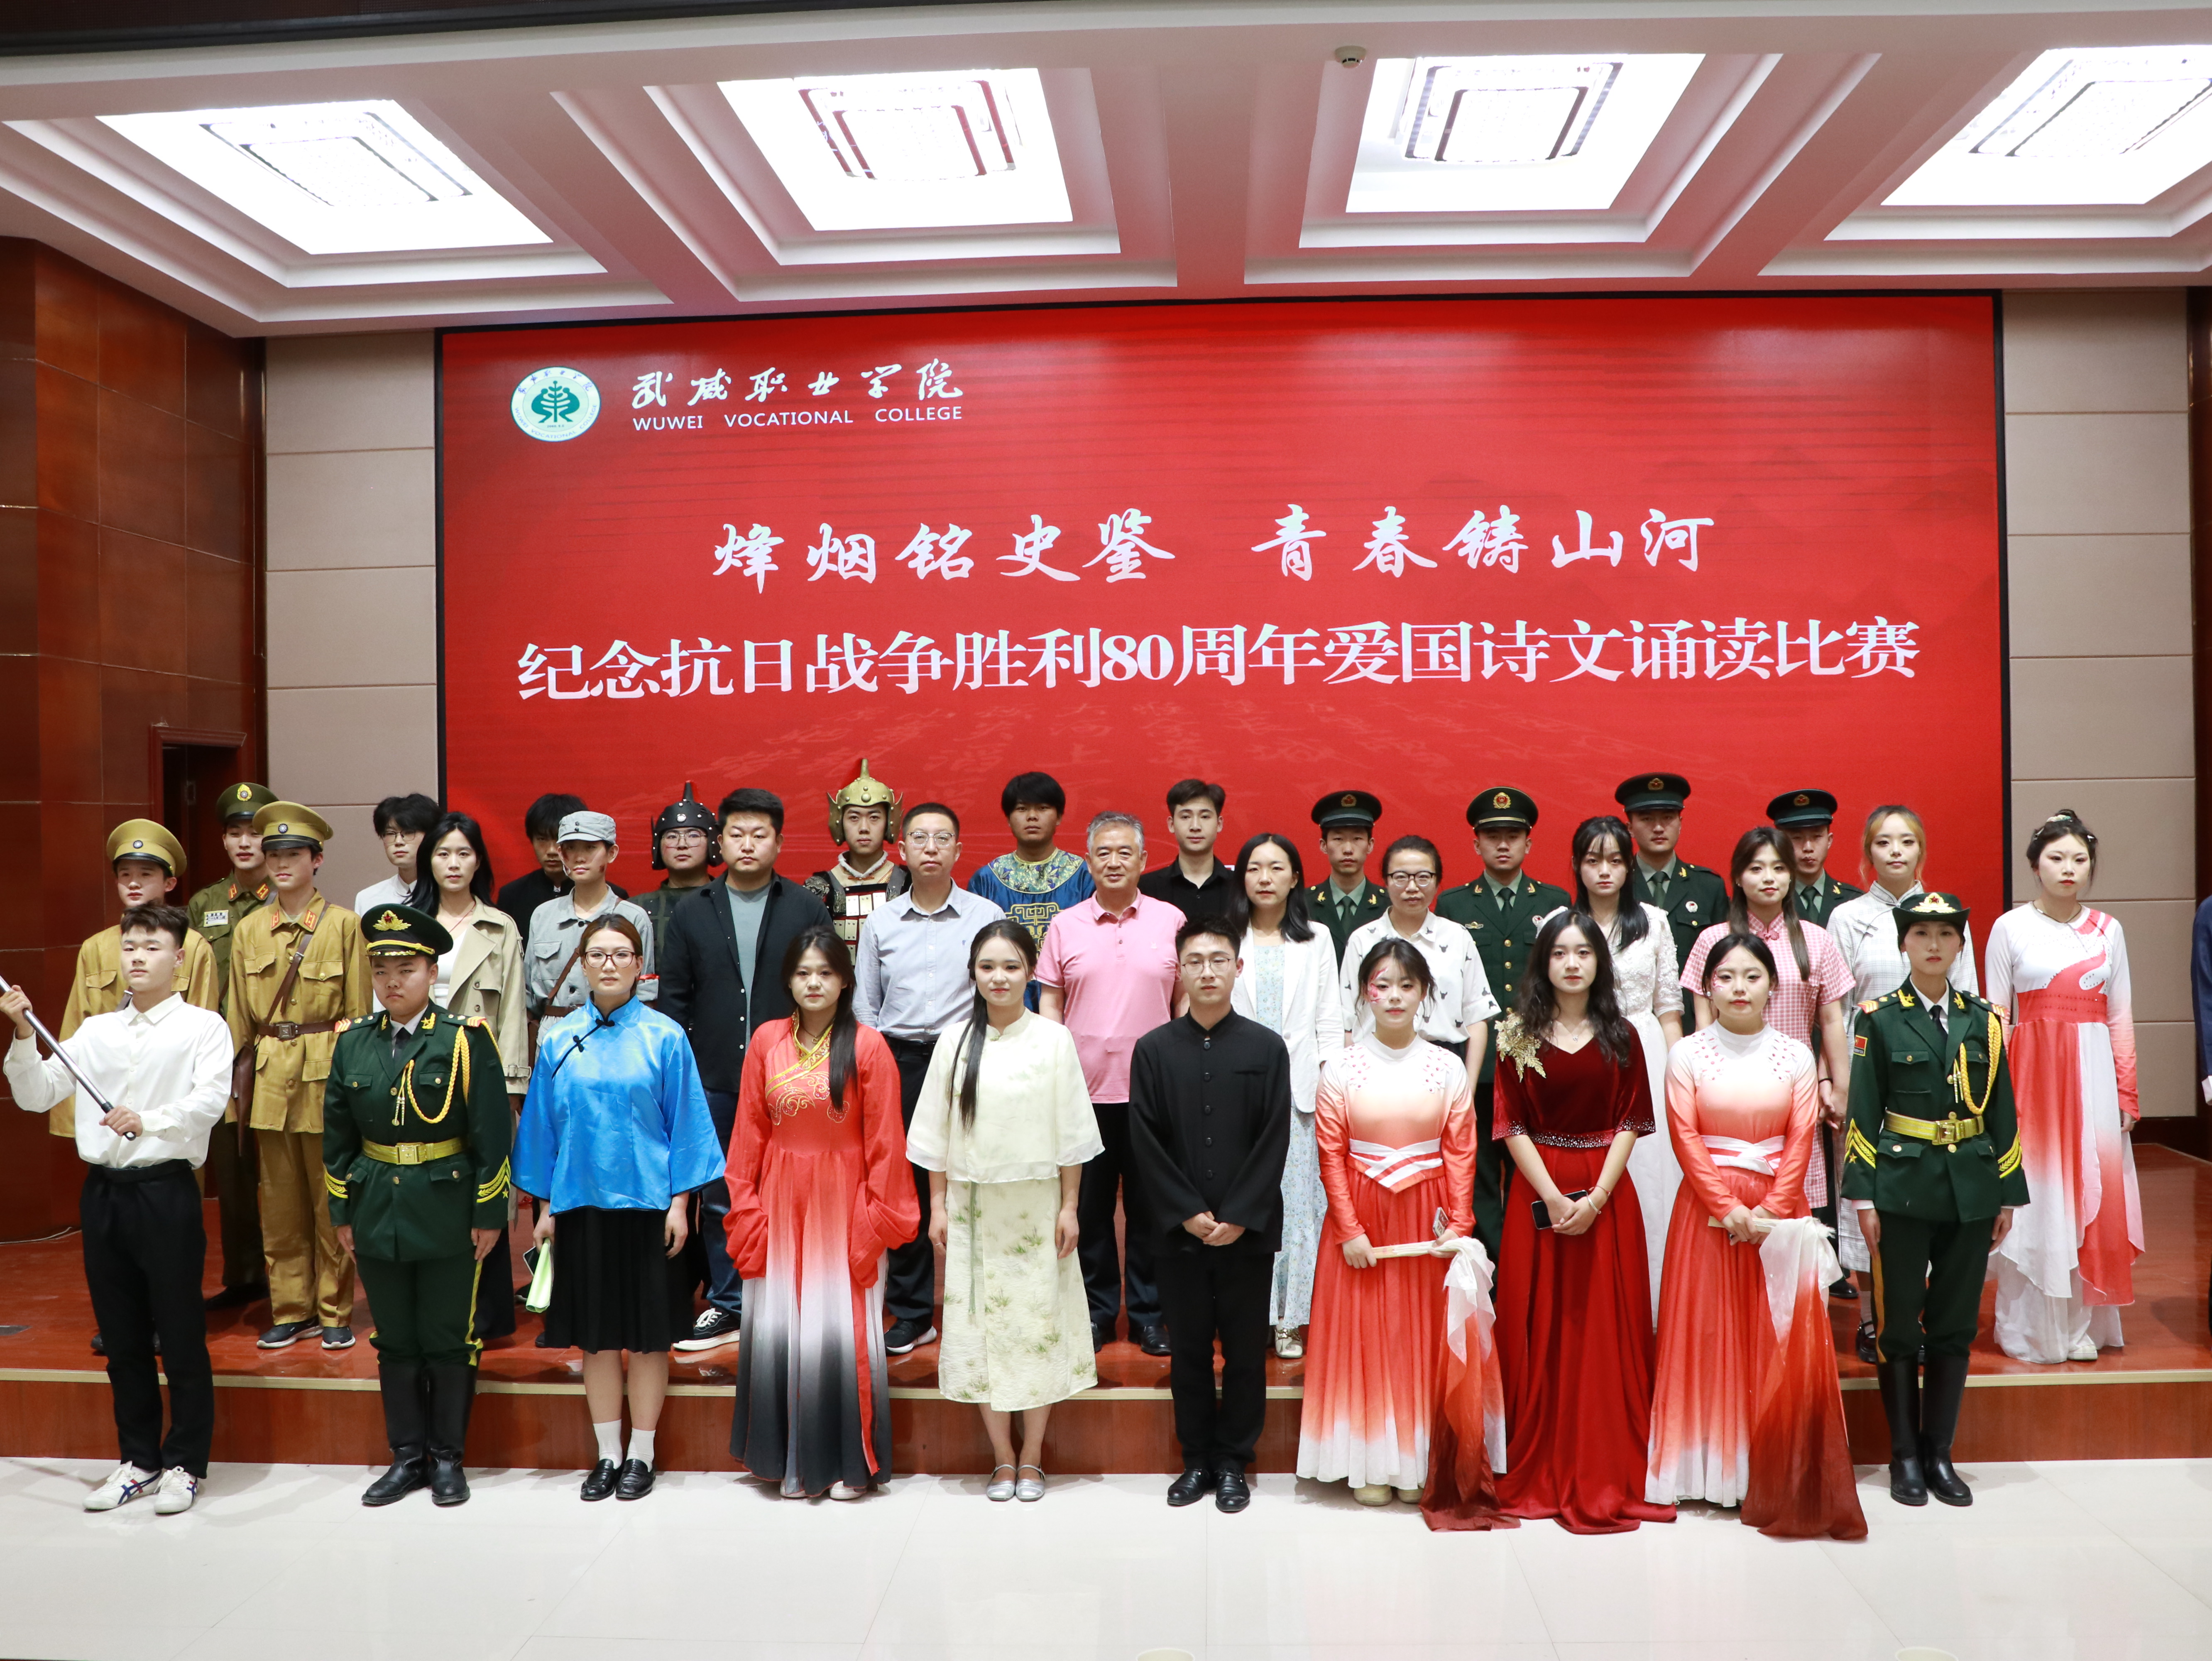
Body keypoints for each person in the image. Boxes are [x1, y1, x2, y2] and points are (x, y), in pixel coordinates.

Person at [4, 904, 230, 1516]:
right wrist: (23, 1035)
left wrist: (147, 1120)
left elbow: (209, 1102)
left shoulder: (204, 1027)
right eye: (130, 946)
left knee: (179, 1333)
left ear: (179, 959)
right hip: (104, 1193)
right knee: (122, 1335)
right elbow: (36, 1095)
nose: (138, 957)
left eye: (152, 947)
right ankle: (139, 1460)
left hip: (166, 1190)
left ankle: (185, 1463)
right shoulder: (95, 1031)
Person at [1645, 933, 1863, 1540]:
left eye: (1752, 976)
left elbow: (1802, 1138)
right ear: (1707, 987)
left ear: (1773, 986)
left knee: (1774, 1333)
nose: (1739, 988)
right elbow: (1685, 1137)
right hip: (1705, 1211)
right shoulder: (1686, 1055)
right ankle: (1708, 1470)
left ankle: (1771, 1465)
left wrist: (1767, 1209)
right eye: (1726, 977)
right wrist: (1728, 1208)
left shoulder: (1796, 1055)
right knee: (1708, 1332)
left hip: (1778, 1211)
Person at [1298, 939, 1505, 1524]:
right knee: (1367, 1337)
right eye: (1382, 985)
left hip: (1428, 1218)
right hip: (1362, 1216)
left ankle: (1417, 1462)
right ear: (1364, 993)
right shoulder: (1340, 1067)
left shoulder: (1447, 1066)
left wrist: (1459, 1226)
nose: (1394, 996)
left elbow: (1461, 1151)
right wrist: (1349, 1229)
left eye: (1406, 986)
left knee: (1421, 1337)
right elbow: (1331, 1153)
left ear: (1425, 994)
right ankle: (1370, 1463)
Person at [514, 916, 721, 1501]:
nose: (609, 964)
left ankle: (642, 1455)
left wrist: (681, 1205)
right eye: (598, 954)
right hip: (580, 1208)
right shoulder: (559, 1039)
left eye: (621, 954)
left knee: (651, 1340)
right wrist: (545, 1208)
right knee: (597, 1339)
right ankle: (607, 1454)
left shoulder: (665, 1037)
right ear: (582, 965)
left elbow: (688, 1128)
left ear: (639, 965)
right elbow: (542, 1132)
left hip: (651, 1210)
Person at [1491, 912, 1674, 1534]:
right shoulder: (1517, 1034)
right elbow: (1510, 1124)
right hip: (1537, 1189)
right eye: (1560, 953)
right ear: (1542, 963)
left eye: (1584, 953)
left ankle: (1605, 1454)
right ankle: (1534, 1453)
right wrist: (1552, 1195)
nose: (1572, 964)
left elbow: (1632, 1121)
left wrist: (1595, 1198)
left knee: (1604, 1323)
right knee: (1539, 1321)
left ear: (1600, 963)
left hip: (1607, 1194)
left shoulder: (1623, 1034)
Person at [323, 904, 511, 1507]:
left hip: (448, 1208)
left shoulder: (463, 1041)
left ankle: (448, 1458)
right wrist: (342, 1213)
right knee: (396, 1338)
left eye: (406, 970)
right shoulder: (353, 1042)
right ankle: (407, 1457)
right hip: (377, 1207)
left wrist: (489, 1213)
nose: (392, 982)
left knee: (449, 1337)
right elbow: (337, 1138)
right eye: (382, 971)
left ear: (432, 973)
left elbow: (491, 1135)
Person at [908, 921, 1100, 1502]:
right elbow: (935, 1136)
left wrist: (1070, 1206)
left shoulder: (1054, 1040)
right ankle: (1002, 1458)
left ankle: (1034, 1456)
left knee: (1036, 1330)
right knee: (982, 1333)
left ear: (1031, 973)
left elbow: (1072, 1134)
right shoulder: (953, 1043)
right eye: (988, 967)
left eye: (1012, 967)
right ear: (973, 973)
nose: (1000, 978)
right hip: (972, 1211)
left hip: (1037, 1211)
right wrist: (937, 1206)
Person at [725, 927, 919, 1498]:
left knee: (840, 1331)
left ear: (846, 981)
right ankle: (789, 1459)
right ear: (788, 980)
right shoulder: (766, 1041)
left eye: (826, 973)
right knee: (784, 1327)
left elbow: (887, 1143)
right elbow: (748, 1134)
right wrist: (747, 1207)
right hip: (779, 1202)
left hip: (845, 1204)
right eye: (804, 973)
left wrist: (875, 1218)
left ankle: (846, 1465)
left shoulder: (869, 1047)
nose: (814, 983)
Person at [1845, 893, 2025, 1506]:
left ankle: (1939, 1454)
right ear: (1904, 944)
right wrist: (1863, 1198)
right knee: (1899, 1325)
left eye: (1946, 935)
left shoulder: (1985, 1020)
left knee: (1954, 1324)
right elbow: (1864, 1112)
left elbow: (2002, 1111)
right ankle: (1904, 1457)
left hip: (1970, 1187)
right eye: (1921, 933)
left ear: (1960, 946)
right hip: (1900, 1188)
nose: (1933, 945)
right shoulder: (1878, 1019)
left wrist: (2006, 1194)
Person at [657, 788, 832, 1354]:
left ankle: (794, 1296)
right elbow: (675, 1001)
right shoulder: (692, 911)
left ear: (779, 842)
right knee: (722, 1195)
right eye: (737, 834)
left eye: (760, 835)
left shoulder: (806, 908)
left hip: (793, 1076)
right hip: (712, 1077)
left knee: (795, 1189)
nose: (748, 844)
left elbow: (825, 990)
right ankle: (730, 1302)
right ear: (720, 842)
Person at [1130, 918, 1294, 1514]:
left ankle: (1233, 1463)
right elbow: (1145, 1139)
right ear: (1179, 970)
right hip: (1179, 1234)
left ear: (1237, 968)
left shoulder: (1266, 1048)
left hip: (1248, 1233)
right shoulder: (1153, 1050)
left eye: (1219, 960)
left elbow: (1275, 1138)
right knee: (1191, 1352)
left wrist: (1241, 1215)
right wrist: (1186, 1213)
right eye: (1195, 961)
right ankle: (1196, 1458)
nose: (1207, 971)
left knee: (1247, 1353)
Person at [54, 822, 225, 1340]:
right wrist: (69, 1109)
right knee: (114, 1265)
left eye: (145, 874)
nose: (133, 883)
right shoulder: (97, 947)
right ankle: (129, 1326)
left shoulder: (192, 946)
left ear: (168, 881)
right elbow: (75, 1028)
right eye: (124, 874)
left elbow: (199, 1018)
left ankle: (167, 1319)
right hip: (106, 1114)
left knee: (172, 1248)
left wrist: (159, 1116)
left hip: (168, 1117)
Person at [1984, 811, 2141, 1365]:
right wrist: (1993, 1099)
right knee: (2041, 1194)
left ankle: (2081, 1326)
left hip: (2094, 1077)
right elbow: (1996, 1017)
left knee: (2090, 1191)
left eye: (2079, 858)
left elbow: (2120, 1015)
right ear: (2035, 865)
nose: (2068, 868)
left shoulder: (2108, 930)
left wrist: (2127, 1093)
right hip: (2032, 1080)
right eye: (2056, 858)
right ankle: (2031, 1329)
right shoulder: (2009, 928)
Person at [1825, 805, 1980, 1351]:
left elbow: (1968, 1004)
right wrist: (1836, 1081)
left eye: (1907, 841)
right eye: (1884, 842)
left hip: (1938, 1078)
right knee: (1868, 1195)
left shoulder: (1947, 913)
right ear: (1868, 852)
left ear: (1921, 851)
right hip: (1869, 1073)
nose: (1895, 851)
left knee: (1931, 1190)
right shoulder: (1848, 918)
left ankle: (1925, 1313)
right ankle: (1877, 1317)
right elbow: (1835, 1008)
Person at [853, 803, 1006, 1354]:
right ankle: (915, 1313)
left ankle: (984, 1308)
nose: (932, 847)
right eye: (920, 838)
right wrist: (873, 1066)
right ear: (902, 850)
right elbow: (866, 1004)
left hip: (967, 1056)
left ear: (959, 850)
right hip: (898, 1061)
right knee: (907, 1185)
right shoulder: (881, 922)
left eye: (943, 838)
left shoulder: (986, 915)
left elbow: (999, 992)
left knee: (976, 1178)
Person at [1037, 810, 1185, 1356]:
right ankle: (1096, 1314)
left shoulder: (1171, 920)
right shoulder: (1065, 925)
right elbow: (1050, 1000)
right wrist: (1054, 1068)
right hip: (1084, 1092)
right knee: (1090, 1211)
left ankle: (1150, 1316)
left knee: (1151, 1210)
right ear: (1089, 861)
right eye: (1104, 852)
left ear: (1144, 860)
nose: (1115, 861)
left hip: (1154, 1094)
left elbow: (1183, 1000)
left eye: (1126, 852)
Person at [1679, 829, 1854, 1289]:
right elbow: (1702, 1025)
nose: (1769, 878)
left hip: (1792, 1095)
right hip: (1726, 1101)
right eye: (1756, 868)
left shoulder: (1816, 940)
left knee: (1792, 1207)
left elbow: (1831, 1020)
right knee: (1724, 1221)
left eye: (1779, 868)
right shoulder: (1712, 940)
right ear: (1738, 877)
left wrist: (1838, 1086)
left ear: (1793, 875)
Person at [225, 802, 369, 1351]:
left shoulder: (343, 926)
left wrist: (357, 1091)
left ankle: (333, 1311)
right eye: (274, 855)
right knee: (280, 1208)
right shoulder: (248, 930)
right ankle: (291, 1309)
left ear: (317, 860)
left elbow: (358, 1014)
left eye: (294, 854)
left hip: (326, 1078)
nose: (282, 864)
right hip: (268, 1081)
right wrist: (232, 1095)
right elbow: (238, 1019)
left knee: (331, 1204)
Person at [410, 811, 530, 1344]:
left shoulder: (500, 927)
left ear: (479, 860)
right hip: (416, 1074)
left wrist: (510, 1088)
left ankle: (486, 1314)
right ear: (428, 861)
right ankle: (429, 1308)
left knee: (483, 1190)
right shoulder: (409, 923)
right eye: (443, 853)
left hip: (480, 1077)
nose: (453, 863)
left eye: (463, 853)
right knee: (425, 1190)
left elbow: (513, 1015)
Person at [1436, 789, 1570, 1256]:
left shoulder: (1555, 901)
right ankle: (1489, 1269)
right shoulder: (1453, 905)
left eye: (1513, 835)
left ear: (1529, 843)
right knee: (1476, 1174)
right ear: (1476, 843)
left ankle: (1525, 1263)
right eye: (1493, 836)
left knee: (1535, 1171)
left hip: (1537, 1061)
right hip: (1478, 1064)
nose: (1503, 844)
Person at [1226, 833, 1343, 1359]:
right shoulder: (1226, 936)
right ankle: (1248, 1312)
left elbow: (1329, 1021)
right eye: (1255, 868)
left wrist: (1331, 1087)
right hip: (1236, 1090)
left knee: (1296, 1210)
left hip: (1299, 1095)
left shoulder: (1316, 938)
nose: (1265, 878)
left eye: (1277, 868)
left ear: (1296, 877)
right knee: (1241, 1202)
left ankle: (1291, 1319)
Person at [1566, 816, 1684, 1317]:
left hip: (1646, 1051)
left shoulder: (1654, 921)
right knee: (1589, 1169)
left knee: (1650, 1177)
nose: (1604, 871)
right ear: (1578, 866)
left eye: (1615, 860)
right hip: (1580, 1052)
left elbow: (1669, 1009)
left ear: (1629, 866)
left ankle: (1653, 1304)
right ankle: (1595, 1304)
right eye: (1593, 860)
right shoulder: (1562, 923)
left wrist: (1679, 1076)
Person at [186, 781, 277, 1311]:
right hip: (221, 1056)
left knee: (283, 1171)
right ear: (223, 840)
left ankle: (294, 1282)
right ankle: (245, 1275)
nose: (245, 843)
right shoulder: (205, 904)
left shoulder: (287, 898)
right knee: (234, 1167)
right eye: (234, 832)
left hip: (276, 1049)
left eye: (254, 832)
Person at [1338, 835, 1498, 1063]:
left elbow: (1477, 1016)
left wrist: (1469, 1083)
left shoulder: (1457, 937)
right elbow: (1347, 1021)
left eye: (1423, 877)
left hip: (1443, 1062)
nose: (1412, 888)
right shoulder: (1363, 940)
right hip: (1374, 1061)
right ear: (1386, 881)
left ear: (1437, 881)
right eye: (1401, 878)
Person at [522, 811, 656, 1027]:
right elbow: (528, 995)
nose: (579, 857)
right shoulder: (543, 916)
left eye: (590, 848)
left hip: (615, 1033)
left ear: (611, 853)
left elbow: (645, 995)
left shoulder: (633, 917)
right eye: (570, 848)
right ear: (561, 853)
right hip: (553, 1035)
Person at [967, 772, 1096, 965]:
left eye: (1043, 808)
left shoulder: (1085, 876)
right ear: (1008, 819)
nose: (1032, 817)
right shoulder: (986, 880)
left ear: (1059, 817)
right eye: (1022, 809)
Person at [1615, 773, 1729, 976]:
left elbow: (1725, 959)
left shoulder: (1709, 887)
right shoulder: (1616, 883)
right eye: (1647, 819)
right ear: (1630, 828)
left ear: (1680, 823)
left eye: (1668, 818)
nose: (1659, 828)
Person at [805, 762, 911, 947]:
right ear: (840, 822)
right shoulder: (818, 888)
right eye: (854, 818)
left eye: (874, 818)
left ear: (889, 823)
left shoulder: (910, 883)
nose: (864, 828)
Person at [497, 792, 619, 934]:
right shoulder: (512, 895)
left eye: (558, 840)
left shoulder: (615, 898)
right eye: (542, 839)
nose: (552, 851)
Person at [634, 783, 719, 949]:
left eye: (693, 835)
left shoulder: (730, 903)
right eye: (672, 836)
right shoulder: (637, 909)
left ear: (713, 842)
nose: (682, 844)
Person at [1307, 791, 1387, 963]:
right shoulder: (1302, 904)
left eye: (1357, 838)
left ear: (1370, 845)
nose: (1348, 849)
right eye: (1338, 839)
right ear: (1324, 845)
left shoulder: (1390, 905)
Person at [1139, 778, 1237, 917]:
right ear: (1171, 825)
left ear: (1219, 824)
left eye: (1205, 817)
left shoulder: (1241, 887)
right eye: (1186, 817)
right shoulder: (1146, 888)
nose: (1195, 827)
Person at [1768, 790, 1862, 928]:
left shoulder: (1855, 900)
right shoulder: (1770, 899)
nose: (1808, 848)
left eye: (1817, 837)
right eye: (1797, 838)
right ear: (1782, 843)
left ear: (1829, 841)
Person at [355, 793, 442, 916]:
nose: (399, 842)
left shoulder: (450, 894)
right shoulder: (368, 898)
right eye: (390, 834)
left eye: (409, 832)